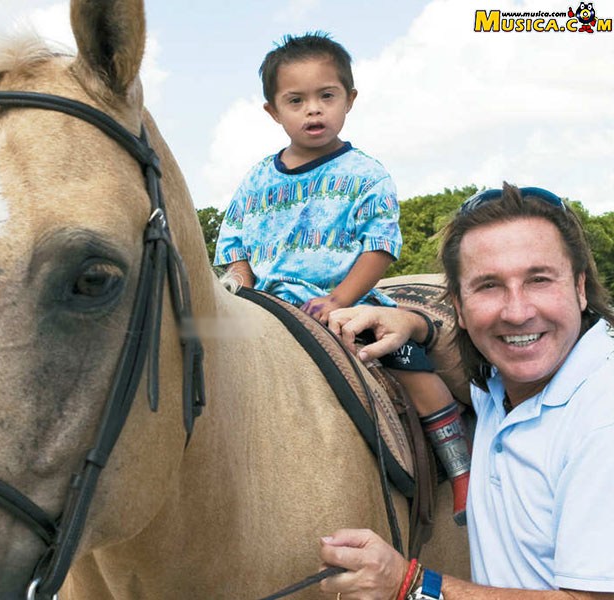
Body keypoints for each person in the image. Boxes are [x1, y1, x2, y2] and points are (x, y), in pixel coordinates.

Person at [213, 32, 471, 524]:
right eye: (296, 100)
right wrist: (243, 295)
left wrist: (340, 298)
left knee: (409, 365)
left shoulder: (365, 174)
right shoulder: (256, 181)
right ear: (273, 112)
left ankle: (460, 470)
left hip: (347, 303)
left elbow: (379, 248)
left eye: (326, 96)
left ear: (349, 100)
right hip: (272, 308)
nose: (313, 111)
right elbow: (236, 247)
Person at [320, 183, 614, 599]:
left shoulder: (603, 417)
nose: (517, 312)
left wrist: (411, 585)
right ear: (458, 305)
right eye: (489, 286)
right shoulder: (498, 386)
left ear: (580, 288)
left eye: (539, 279)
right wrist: (414, 324)